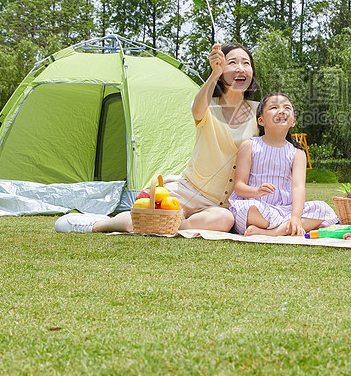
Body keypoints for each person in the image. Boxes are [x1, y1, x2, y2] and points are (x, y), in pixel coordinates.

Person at [54, 43, 260, 234]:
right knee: (146, 213)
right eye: (232, 62)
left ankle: (167, 225)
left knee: (223, 220)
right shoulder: (208, 103)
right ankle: (97, 224)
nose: (240, 68)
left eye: (246, 63)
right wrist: (214, 75)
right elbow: (197, 110)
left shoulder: (259, 112)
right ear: (221, 68)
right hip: (188, 191)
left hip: (222, 206)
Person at [228, 93, 337, 236]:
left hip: (285, 209)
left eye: (287, 108)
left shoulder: (297, 152)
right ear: (261, 121)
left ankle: (271, 232)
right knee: (250, 209)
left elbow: (298, 187)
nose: (281, 111)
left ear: (293, 122)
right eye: (274, 107)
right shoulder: (249, 145)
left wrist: (296, 217)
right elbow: (239, 187)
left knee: (323, 209)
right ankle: (284, 227)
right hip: (258, 206)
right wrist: (256, 191)